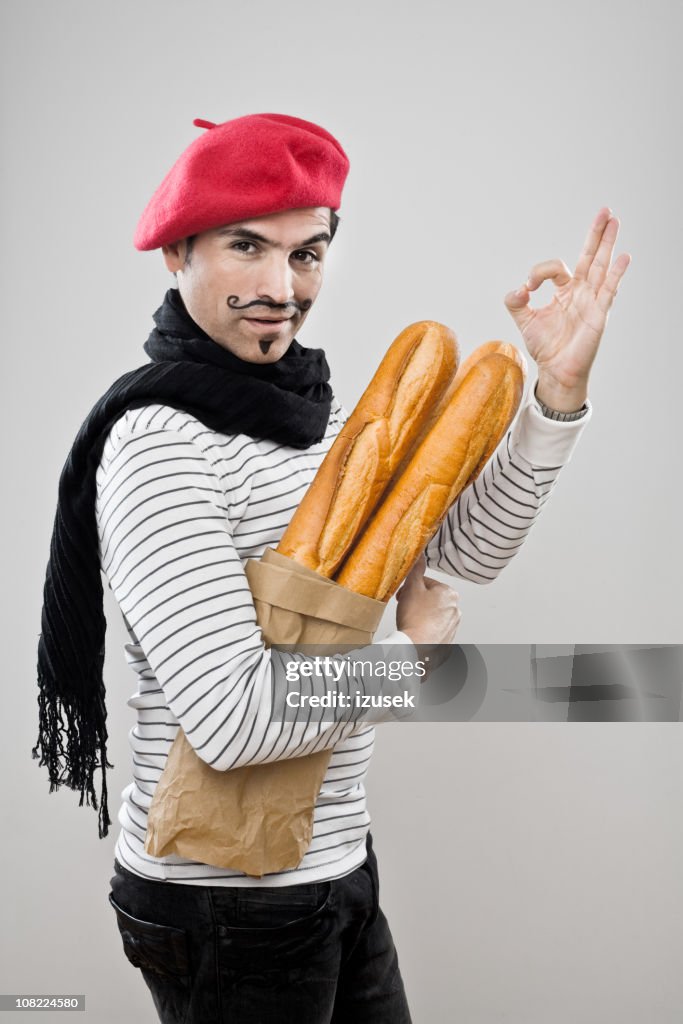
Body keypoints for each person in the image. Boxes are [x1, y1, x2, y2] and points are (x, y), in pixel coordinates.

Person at [34, 112, 630, 1023]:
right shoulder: (160, 444)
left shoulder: (315, 415)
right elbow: (231, 722)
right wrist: (406, 663)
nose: (280, 287)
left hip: (328, 862)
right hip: (225, 900)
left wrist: (553, 396)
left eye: (307, 254)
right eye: (246, 247)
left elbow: (459, 553)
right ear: (176, 253)